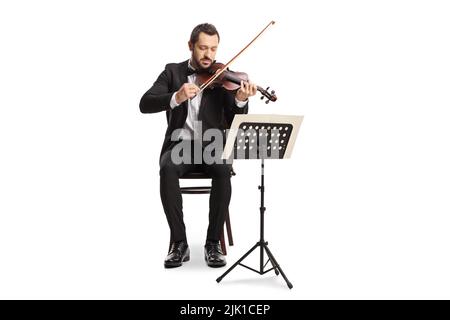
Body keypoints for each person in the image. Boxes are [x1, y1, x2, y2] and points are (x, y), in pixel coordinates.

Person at [139, 23, 257, 268]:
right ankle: (178, 243)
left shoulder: (223, 74)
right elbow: (145, 103)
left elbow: (234, 120)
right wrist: (176, 97)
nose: (209, 55)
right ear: (190, 45)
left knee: (223, 170)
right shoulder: (172, 72)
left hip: (212, 146)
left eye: (213, 49)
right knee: (168, 168)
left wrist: (239, 100)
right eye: (203, 48)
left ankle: (213, 243)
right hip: (180, 146)